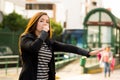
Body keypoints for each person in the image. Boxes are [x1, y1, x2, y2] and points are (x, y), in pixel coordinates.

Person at [18, 12, 103, 80]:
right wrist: (44, 33)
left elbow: (68, 47)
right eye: (41, 21)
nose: (45, 23)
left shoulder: (48, 42)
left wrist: (88, 53)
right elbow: (34, 48)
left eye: (47, 22)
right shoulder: (25, 38)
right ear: (34, 23)